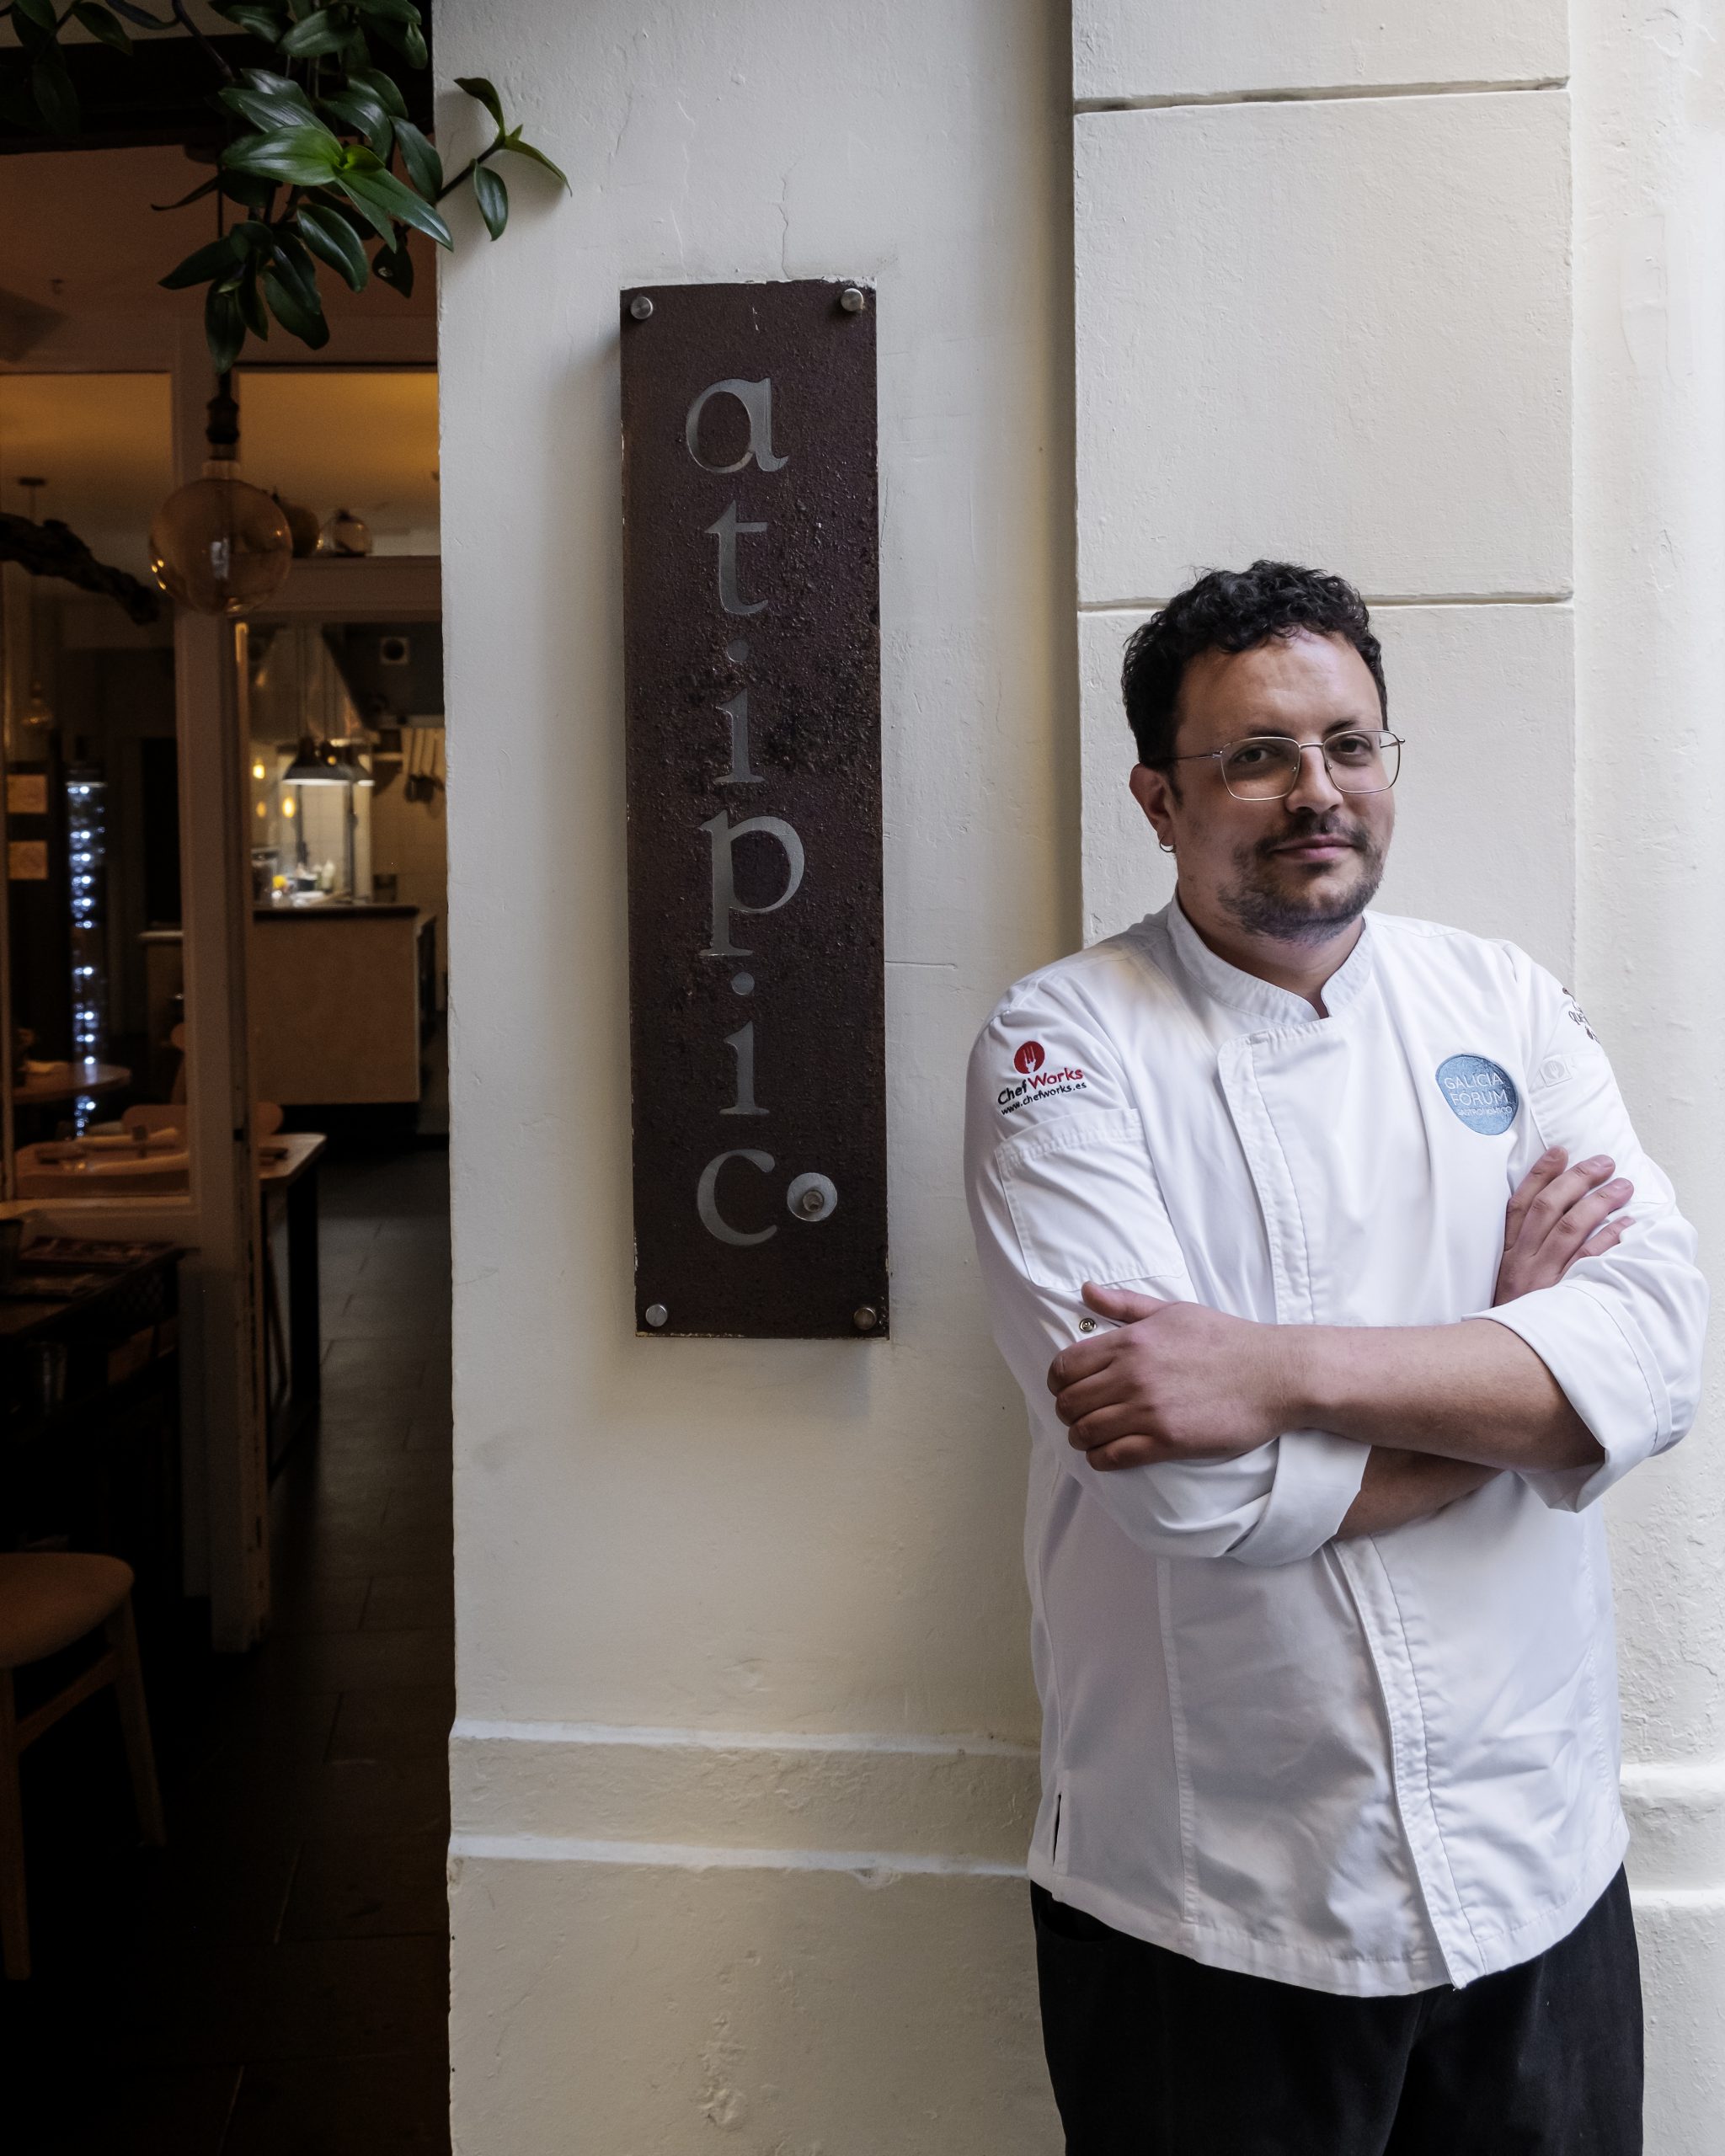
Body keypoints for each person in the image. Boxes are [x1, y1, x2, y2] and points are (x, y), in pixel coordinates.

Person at [964, 561, 1707, 2154]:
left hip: (1534, 1869)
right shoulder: (1060, 1045)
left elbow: (1655, 1346)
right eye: (1256, 756)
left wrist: (1273, 1369)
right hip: (1215, 1898)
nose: (1319, 793)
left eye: (1351, 746)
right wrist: (1523, 1384)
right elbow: (1187, 1496)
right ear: (1161, 800)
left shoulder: (1501, 1000)